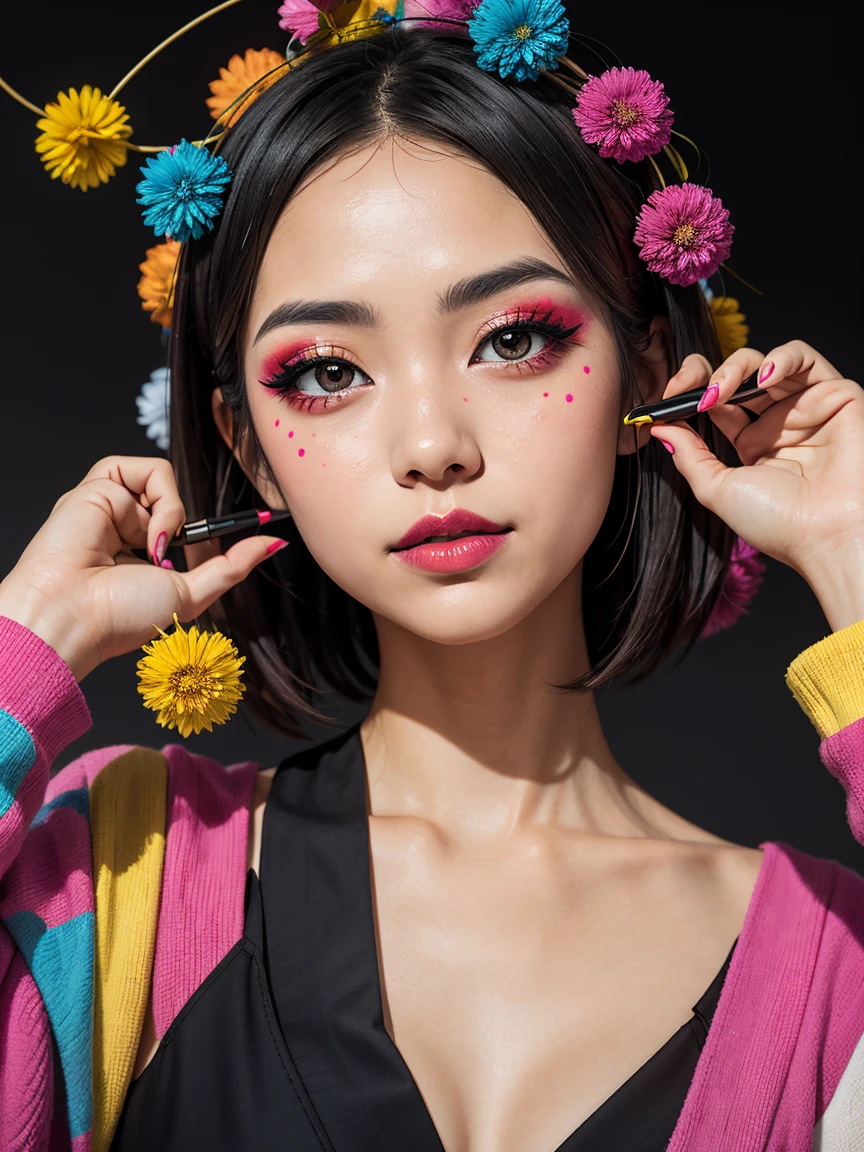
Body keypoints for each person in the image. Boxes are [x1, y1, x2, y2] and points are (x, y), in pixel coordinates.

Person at [0, 9, 863, 1152]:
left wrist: (856, 558)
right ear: (247, 441)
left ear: (644, 372)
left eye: (512, 339)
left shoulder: (833, 968)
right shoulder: (118, 872)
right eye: (325, 370)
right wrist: (28, 639)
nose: (430, 444)